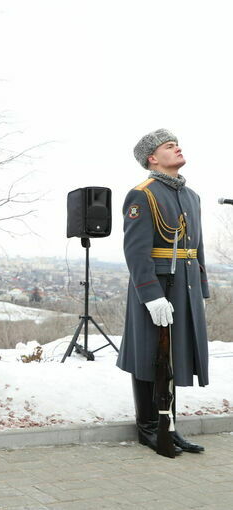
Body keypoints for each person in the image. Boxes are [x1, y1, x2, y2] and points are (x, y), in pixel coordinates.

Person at [117, 129, 209, 455]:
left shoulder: (191, 196)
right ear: (152, 158)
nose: (177, 148)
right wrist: (150, 295)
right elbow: (136, 251)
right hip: (157, 288)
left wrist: (202, 288)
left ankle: (169, 426)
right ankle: (148, 428)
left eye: (177, 144)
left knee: (172, 356)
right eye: (169, 146)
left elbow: (196, 247)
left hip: (185, 287)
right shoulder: (143, 195)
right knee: (150, 356)